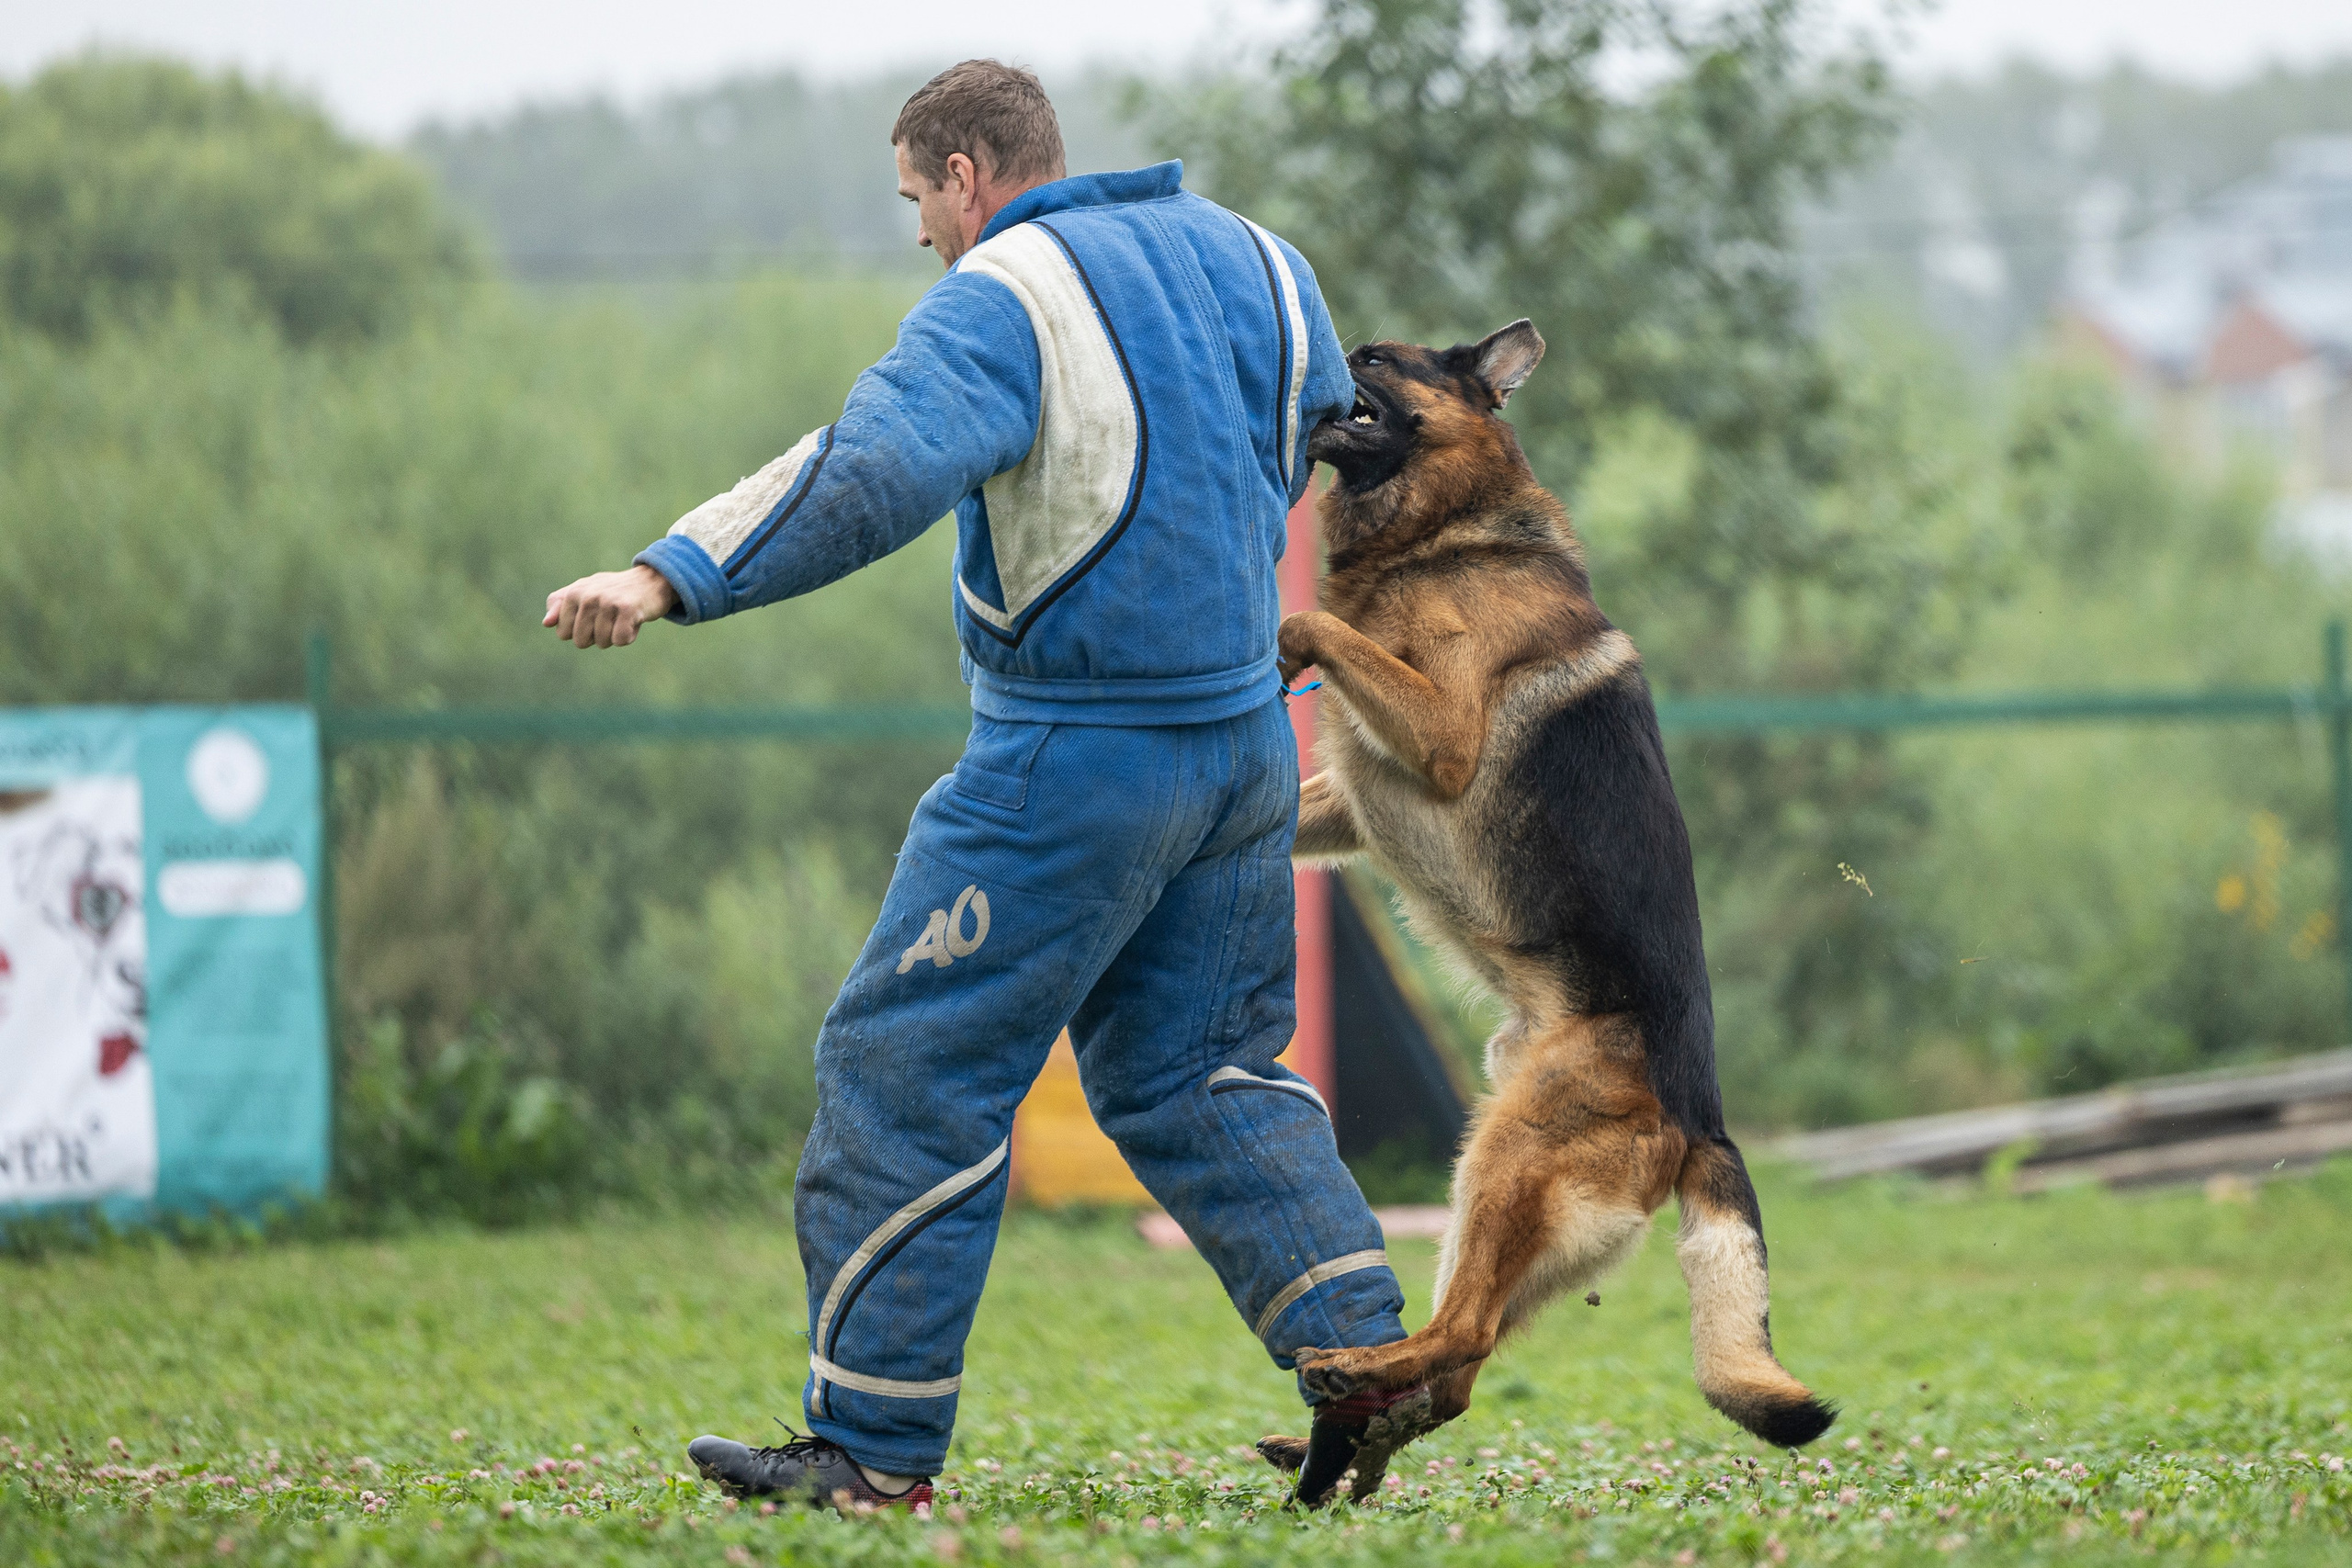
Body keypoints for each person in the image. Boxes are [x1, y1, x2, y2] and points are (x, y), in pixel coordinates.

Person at [543, 59, 1408, 1513]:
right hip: (1250, 753)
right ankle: (1374, 1359)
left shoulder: (1008, 292)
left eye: (915, 204)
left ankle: (870, 1454)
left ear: (966, 174)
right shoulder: (1268, 263)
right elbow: (1353, 436)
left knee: (909, 1067)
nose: (923, 239)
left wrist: (668, 572)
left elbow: (871, 466)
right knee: (1207, 1074)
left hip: (1070, 765)